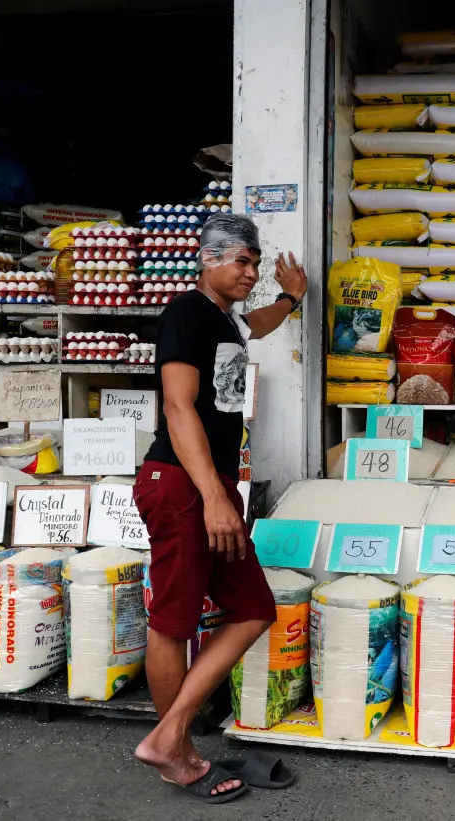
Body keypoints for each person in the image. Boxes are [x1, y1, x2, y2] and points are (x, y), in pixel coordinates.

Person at [132, 213, 307, 803]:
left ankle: (169, 732)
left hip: (209, 486)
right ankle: (174, 752)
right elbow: (178, 410)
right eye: (242, 261)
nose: (251, 272)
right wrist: (213, 497)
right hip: (182, 484)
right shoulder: (185, 314)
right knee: (174, 622)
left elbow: (254, 326)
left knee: (252, 606)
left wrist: (290, 299)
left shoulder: (223, 319)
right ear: (209, 260)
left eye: (255, 262)